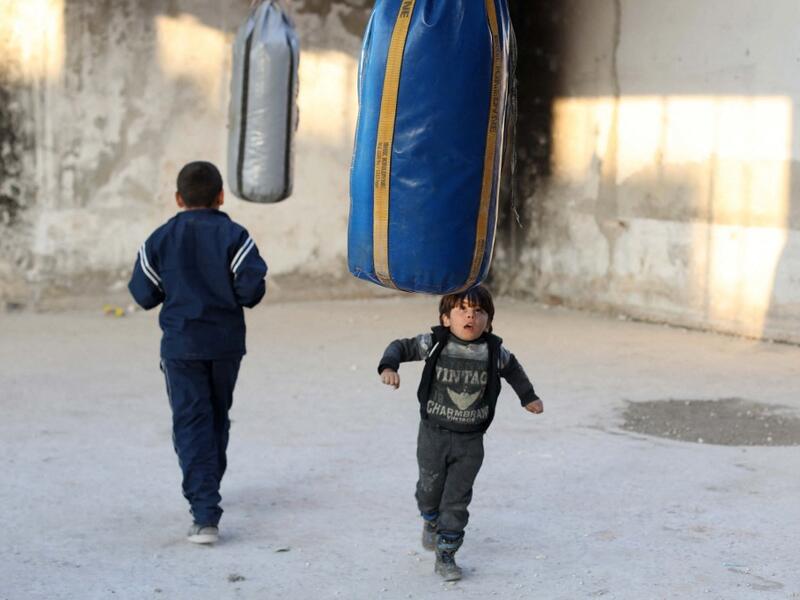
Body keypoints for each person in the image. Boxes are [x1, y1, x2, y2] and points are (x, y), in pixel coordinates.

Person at [128, 161, 267, 544]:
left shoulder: (159, 239)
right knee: (217, 416)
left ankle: (204, 513)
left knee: (191, 422)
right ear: (221, 197)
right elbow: (251, 290)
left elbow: (142, 294)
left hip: (181, 347)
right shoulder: (236, 237)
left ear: (178, 198)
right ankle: (209, 489)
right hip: (225, 346)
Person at [378, 285, 543, 580]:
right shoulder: (435, 343)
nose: (471, 316)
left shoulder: (493, 351)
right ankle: (430, 519)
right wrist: (389, 367)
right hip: (433, 434)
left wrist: (528, 396)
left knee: (457, 500)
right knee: (429, 491)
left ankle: (446, 555)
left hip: (471, 441)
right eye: (462, 309)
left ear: (489, 321)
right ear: (445, 318)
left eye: (479, 311)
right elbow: (399, 346)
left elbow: (514, 369)